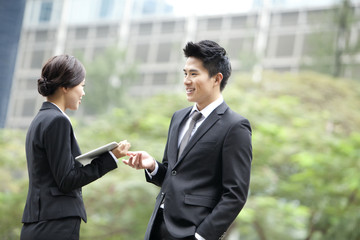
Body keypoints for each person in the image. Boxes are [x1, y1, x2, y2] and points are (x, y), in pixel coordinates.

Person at [124, 40, 252, 240]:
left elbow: (235, 195)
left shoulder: (235, 126)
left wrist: (202, 236)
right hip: (158, 227)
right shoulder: (178, 117)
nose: (186, 80)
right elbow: (173, 176)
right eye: (185, 74)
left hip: (193, 231)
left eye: (194, 74)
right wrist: (153, 167)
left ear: (216, 79)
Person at [20, 55, 131, 240]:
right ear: (65, 86)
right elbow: (67, 180)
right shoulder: (58, 121)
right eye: (82, 86)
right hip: (56, 224)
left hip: (38, 222)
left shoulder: (39, 120)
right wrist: (110, 158)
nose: (83, 93)